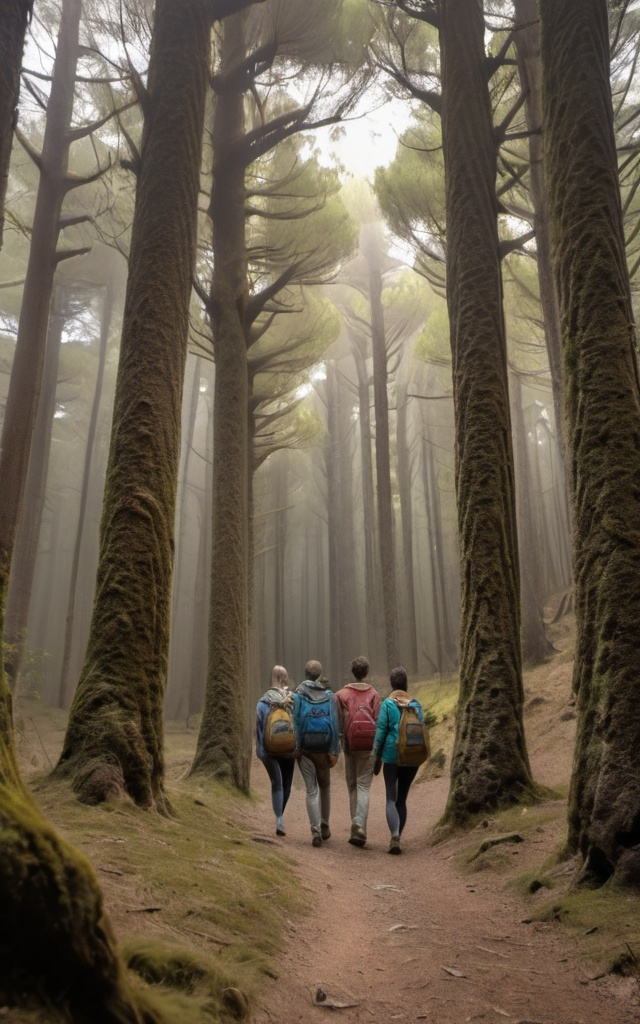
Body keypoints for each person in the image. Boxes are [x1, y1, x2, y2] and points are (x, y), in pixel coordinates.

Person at [372, 666, 425, 855]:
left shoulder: (387, 704)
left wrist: (375, 753)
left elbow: (381, 731)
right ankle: (398, 837)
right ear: (406, 683)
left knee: (390, 798)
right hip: (411, 756)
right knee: (402, 800)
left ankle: (394, 835)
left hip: (391, 755)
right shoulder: (416, 704)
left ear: (392, 684)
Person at [335, 656, 381, 848]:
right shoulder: (375, 695)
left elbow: (338, 724)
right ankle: (359, 825)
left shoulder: (340, 695)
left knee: (352, 785)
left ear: (352, 672)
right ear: (366, 672)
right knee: (364, 786)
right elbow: (378, 722)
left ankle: (356, 825)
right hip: (369, 746)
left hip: (350, 745)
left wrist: (339, 744)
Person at [293, 659, 340, 847]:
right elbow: (335, 725)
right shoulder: (329, 696)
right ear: (319, 675)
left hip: (305, 748)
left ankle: (315, 831)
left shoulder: (298, 695)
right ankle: (326, 825)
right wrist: (334, 751)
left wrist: (296, 747)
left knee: (311, 790)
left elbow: (295, 721)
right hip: (323, 748)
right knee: (325, 786)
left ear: (305, 674)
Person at [255, 666, 296, 837]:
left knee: (276, 783)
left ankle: (279, 819)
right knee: (287, 785)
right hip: (288, 749)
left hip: (269, 750)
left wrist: (260, 750)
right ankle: (280, 816)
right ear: (285, 679)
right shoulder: (291, 701)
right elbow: (297, 724)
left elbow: (258, 727)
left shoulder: (263, 701)